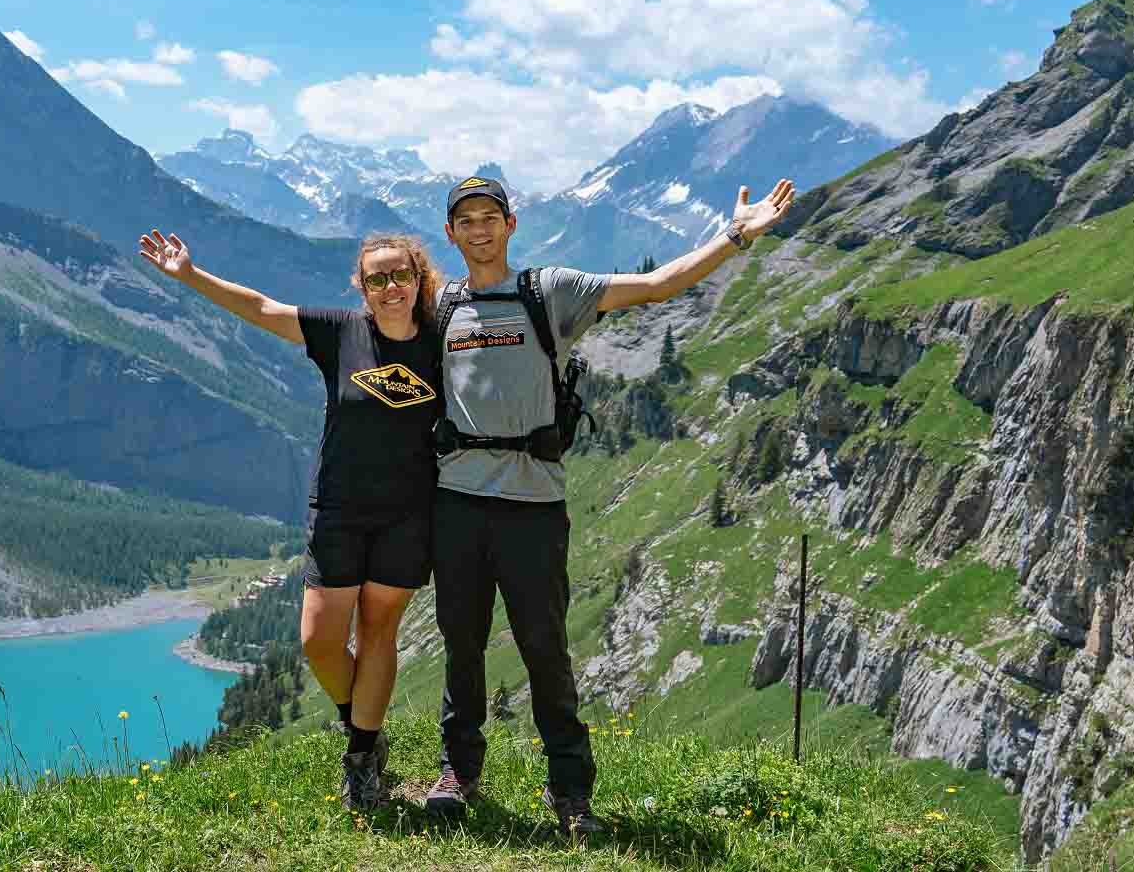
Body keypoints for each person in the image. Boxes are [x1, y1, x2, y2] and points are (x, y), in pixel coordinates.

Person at [422, 174, 796, 836]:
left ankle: (570, 792)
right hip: (455, 503)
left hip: (533, 504)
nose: (479, 230)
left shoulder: (549, 291)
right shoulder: (442, 305)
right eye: (466, 221)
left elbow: (657, 286)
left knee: (544, 649)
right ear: (451, 234)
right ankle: (459, 771)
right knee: (462, 646)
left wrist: (735, 237)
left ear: (512, 224)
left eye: (490, 217)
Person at [138, 228, 444, 811]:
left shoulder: (437, 343)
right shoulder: (340, 333)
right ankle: (361, 727)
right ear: (363, 286)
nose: (390, 287)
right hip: (337, 509)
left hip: (408, 514)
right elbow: (262, 308)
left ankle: (362, 758)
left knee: (379, 632)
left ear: (418, 279)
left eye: (400, 275)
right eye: (377, 278)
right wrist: (191, 275)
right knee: (320, 640)